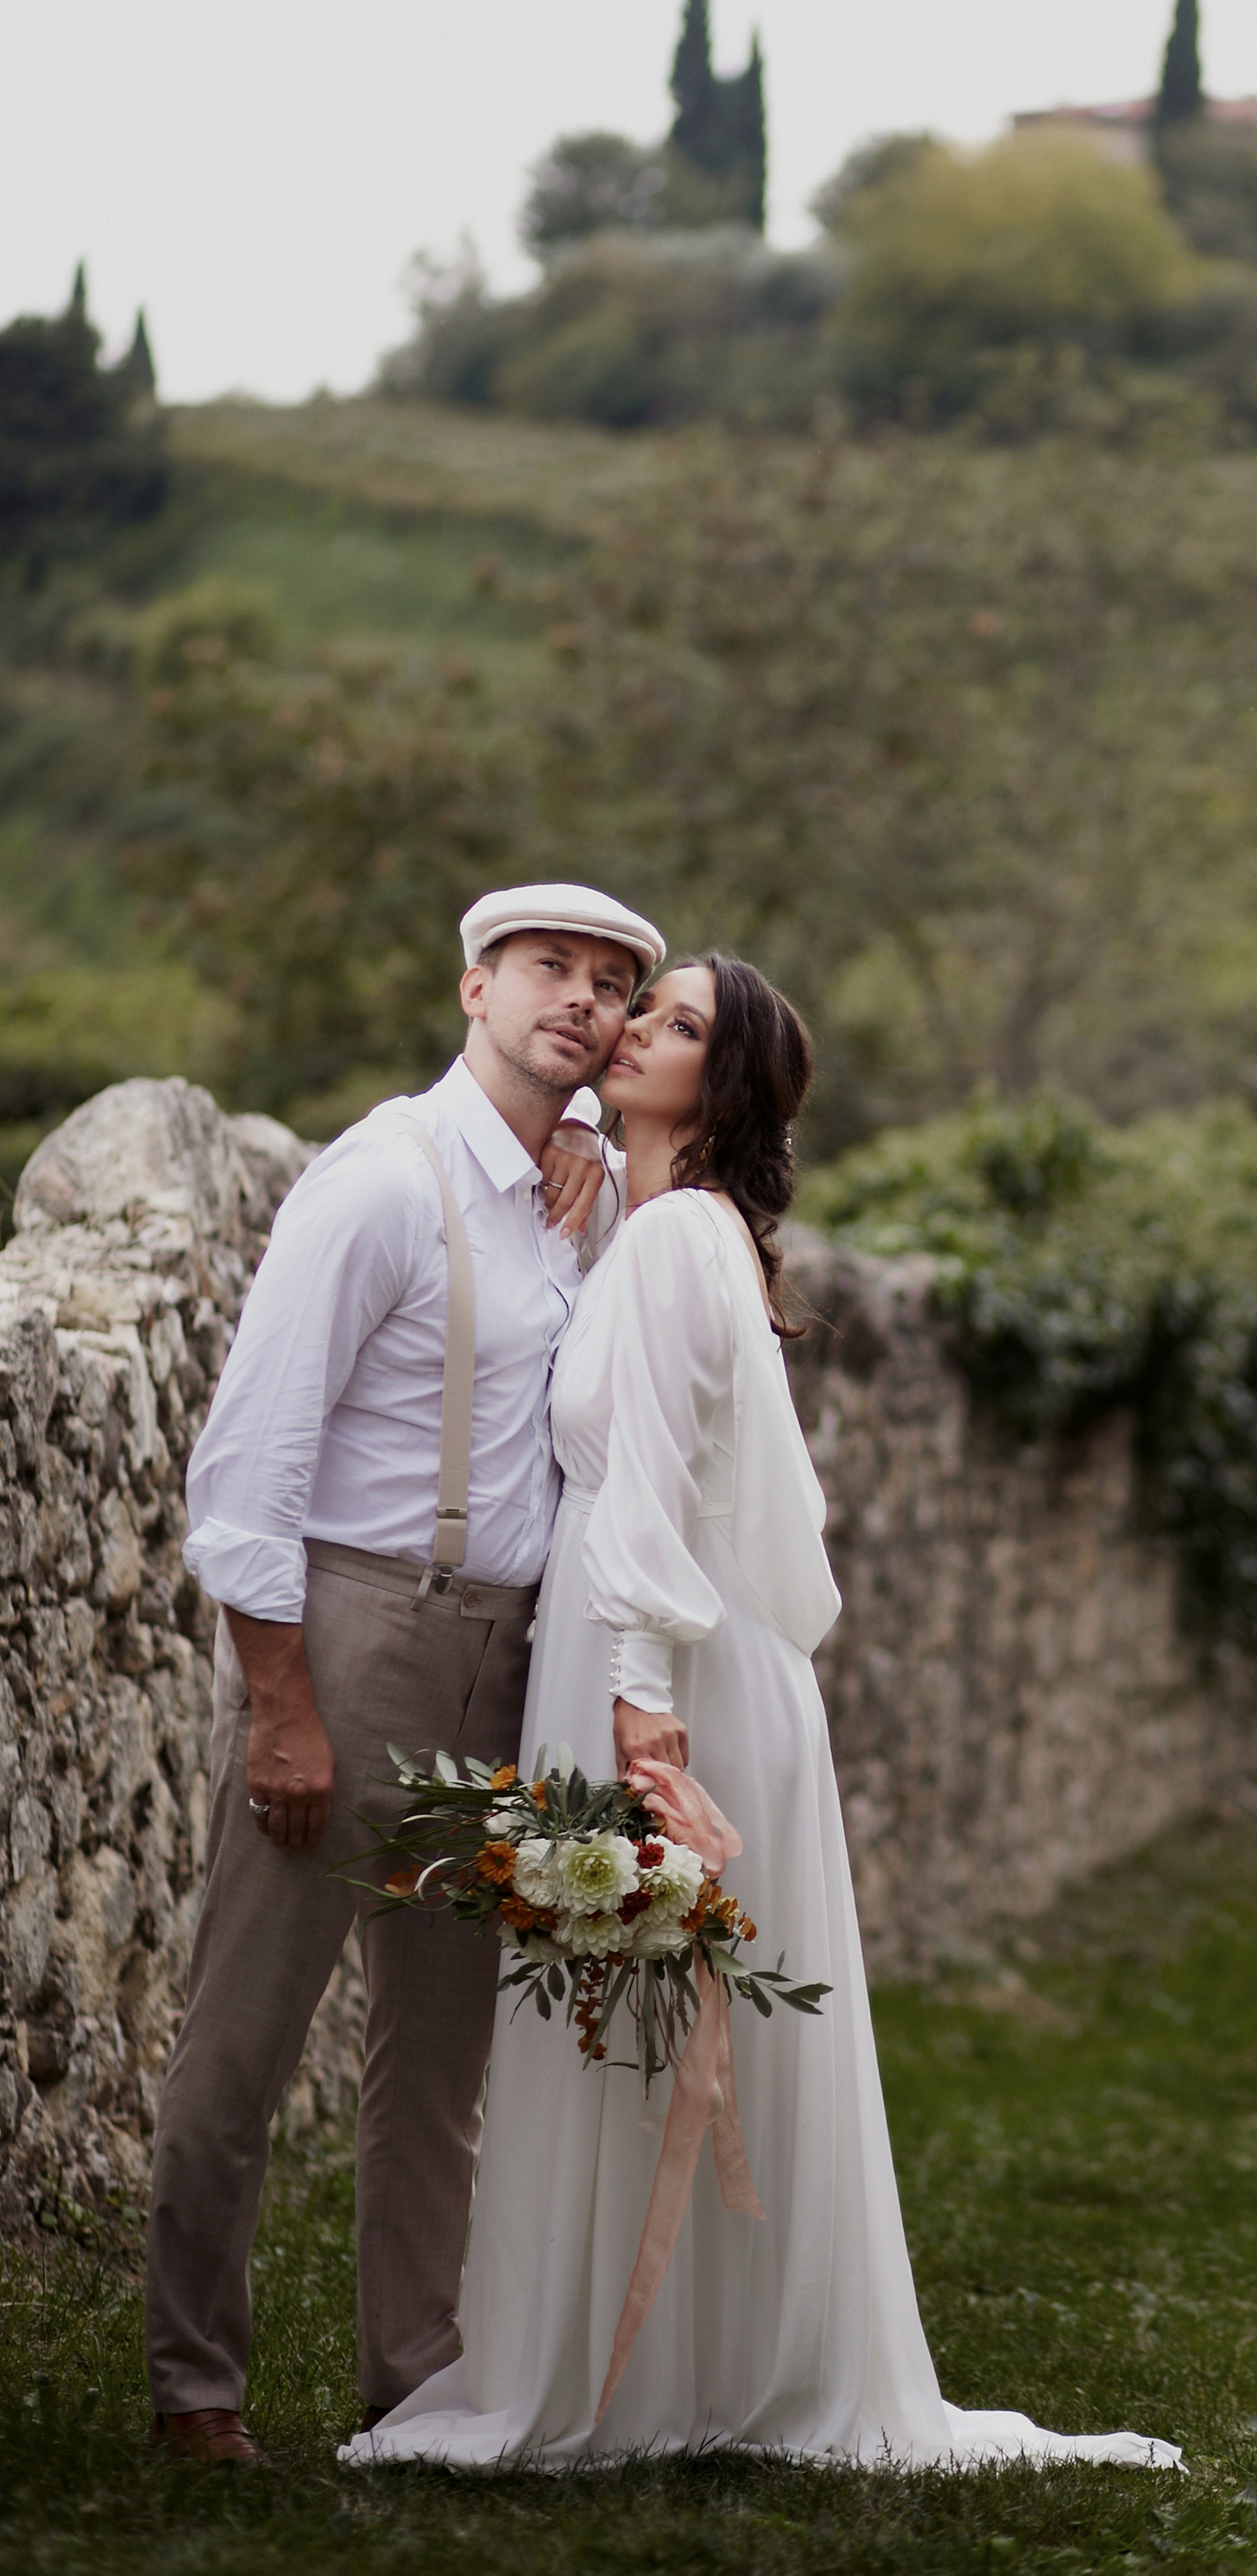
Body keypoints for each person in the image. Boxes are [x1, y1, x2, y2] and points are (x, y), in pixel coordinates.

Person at [347, 954, 1180, 2472]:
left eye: (668, 1023)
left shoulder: (673, 1242)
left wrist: (641, 1720)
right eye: (638, 1007)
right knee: (637, 2017)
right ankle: (671, 2367)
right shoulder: (665, 1229)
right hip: (652, 1649)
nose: (627, 1027)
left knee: (642, 2010)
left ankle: (630, 2381)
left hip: (652, 1670)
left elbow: (653, 1495)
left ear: (715, 1087)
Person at [144, 880, 663, 2465]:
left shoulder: (576, 1199)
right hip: (356, 1631)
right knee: (247, 2027)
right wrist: (283, 1706)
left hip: (506, 1654)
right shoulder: (379, 1182)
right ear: (473, 989)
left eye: (607, 985)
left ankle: (415, 2381)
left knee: (437, 2052)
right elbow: (246, 1468)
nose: (576, 1000)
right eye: (545, 970)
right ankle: (193, 2390)